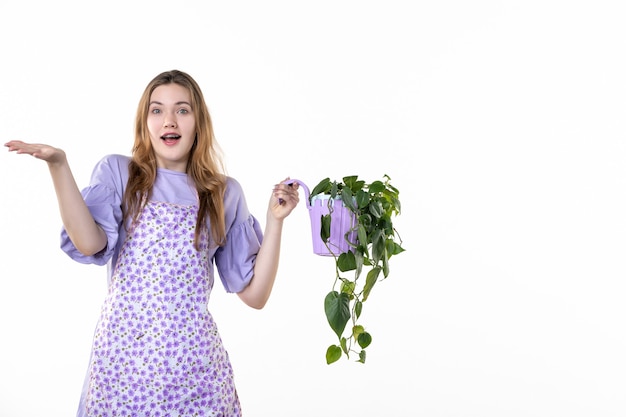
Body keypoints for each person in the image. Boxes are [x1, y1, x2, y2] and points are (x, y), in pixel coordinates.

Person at [5, 69, 300, 417]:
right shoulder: (119, 173)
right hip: (123, 372)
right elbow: (88, 243)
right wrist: (59, 165)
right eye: (157, 110)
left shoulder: (223, 192)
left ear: (198, 122)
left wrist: (275, 222)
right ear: (145, 122)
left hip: (196, 377)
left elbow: (255, 295)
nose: (169, 121)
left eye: (182, 110)